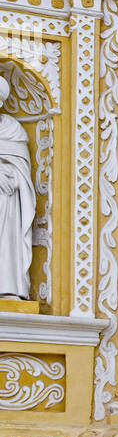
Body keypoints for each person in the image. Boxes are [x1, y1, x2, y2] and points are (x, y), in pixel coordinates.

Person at [0, 75, 35, 300]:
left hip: (6, 198)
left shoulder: (13, 129)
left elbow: (22, 168)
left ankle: (7, 285)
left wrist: (11, 176)